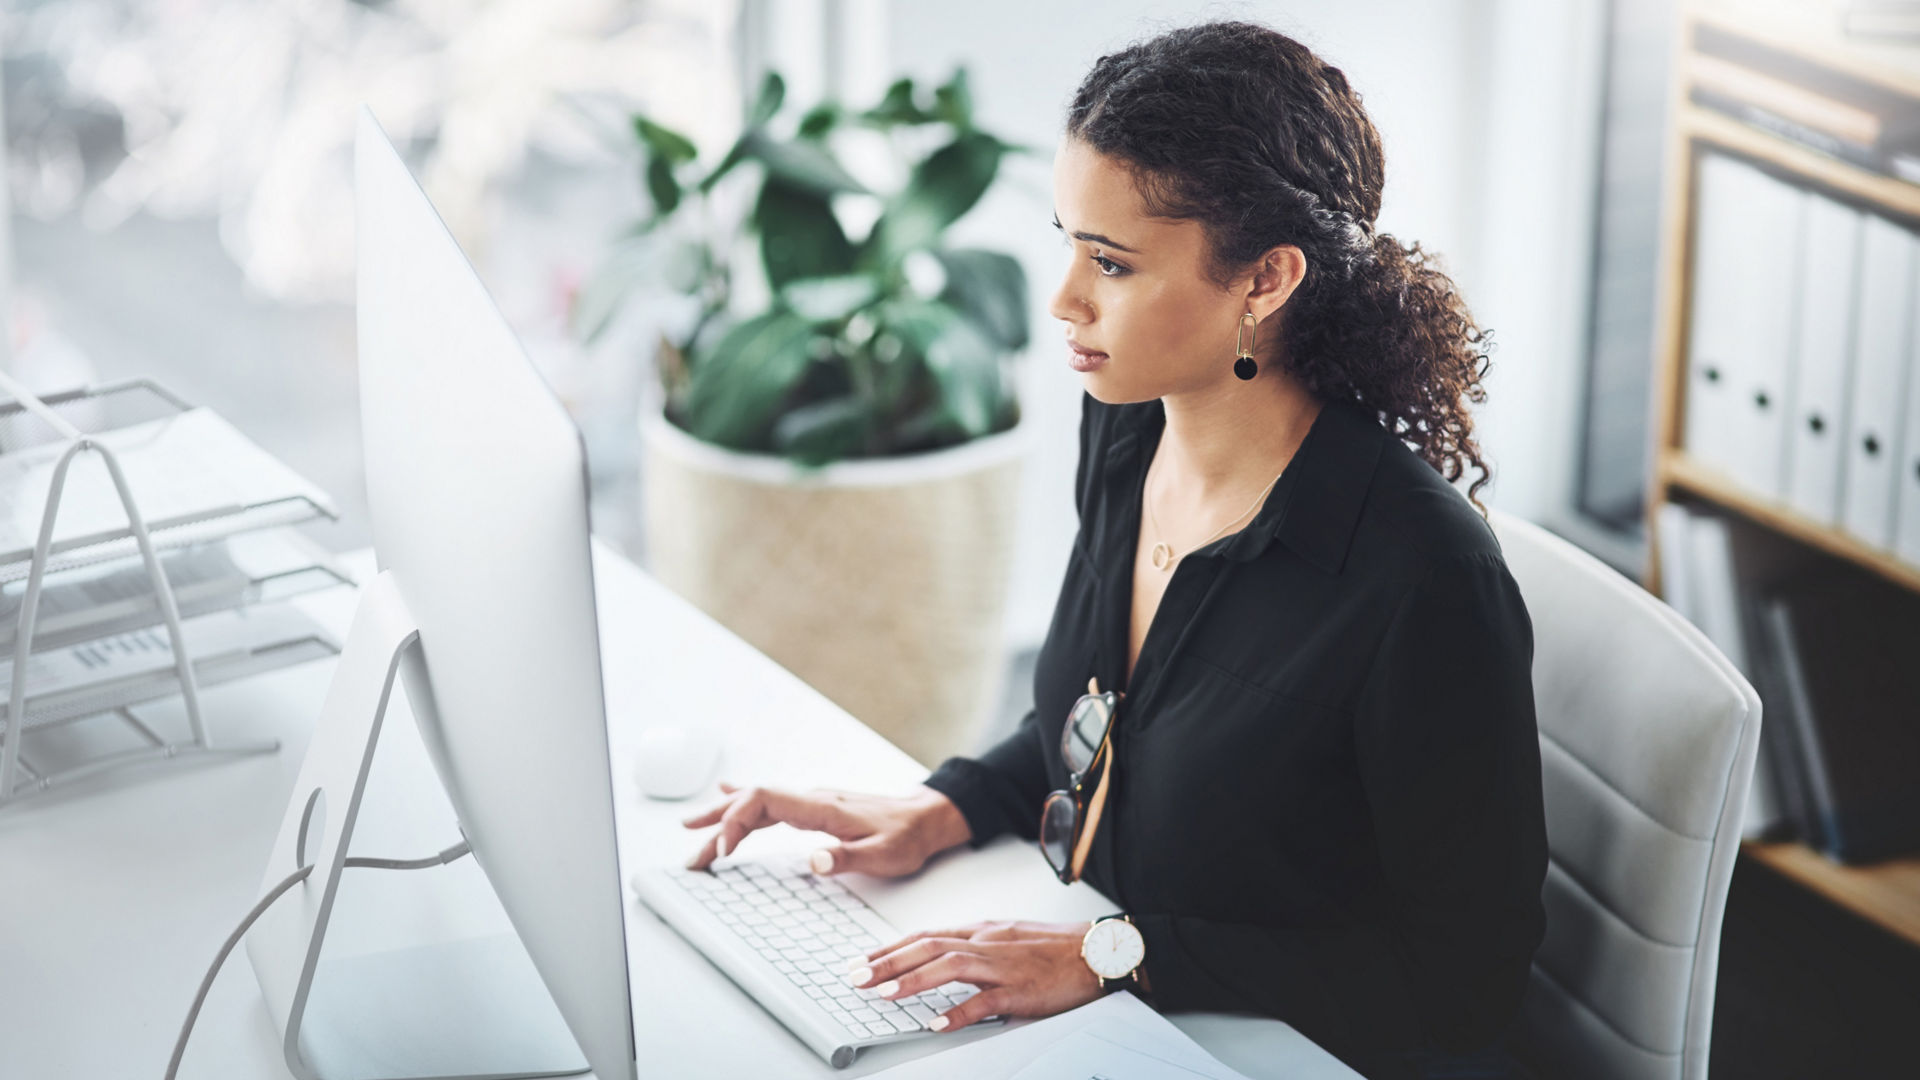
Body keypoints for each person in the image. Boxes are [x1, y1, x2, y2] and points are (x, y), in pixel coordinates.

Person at [681, 20, 1546, 1080]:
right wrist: (949, 806)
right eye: (1070, 242)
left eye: (1112, 263)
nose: (1063, 300)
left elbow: (1467, 982)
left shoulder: (1420, 580)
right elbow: (1105, 710)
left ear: (1266, 281)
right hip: (1128, 1016)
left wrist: (1117, 954)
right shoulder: (1132, 424)